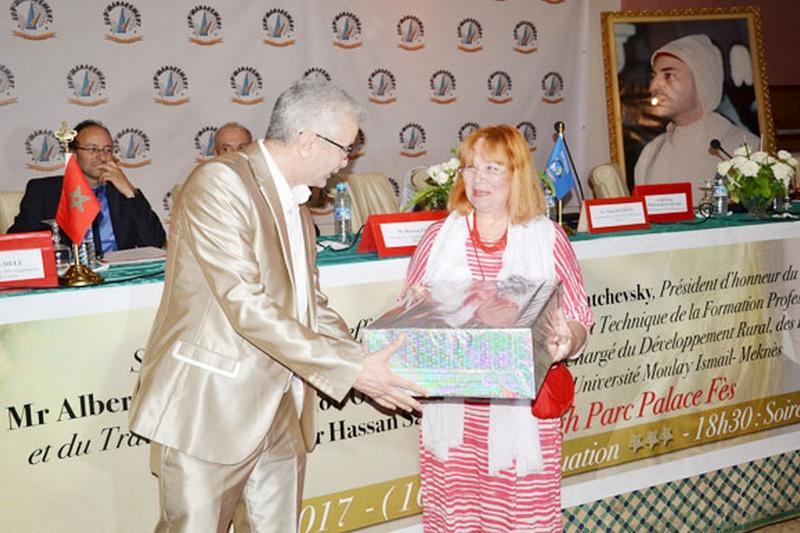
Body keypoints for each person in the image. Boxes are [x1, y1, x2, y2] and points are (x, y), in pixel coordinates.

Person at [128, 78, 425, 533]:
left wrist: (361, 361)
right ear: (308, 141)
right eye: (345, 149)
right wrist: (352, 370)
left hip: (283, 405)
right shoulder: (221, 183)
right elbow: (245, 304)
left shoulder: (297, 202)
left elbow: (311, 304)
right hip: (211, 407)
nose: (346, 162)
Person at [404, 124, 592, 532]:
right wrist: (415, 309)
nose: (478, 179)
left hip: (521, 415)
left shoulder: (548, 238)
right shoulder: (437, 238)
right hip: (454, 418)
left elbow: (580, 317)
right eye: (471, 168)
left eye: (492, 168)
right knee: (457, 518)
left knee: (521, 518)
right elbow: (410, 316)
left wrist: (566, 341)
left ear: (516, 174)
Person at [7, 120, 166, 251]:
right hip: (68, 276)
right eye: (92, 149)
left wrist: (130, 192)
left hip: (120, 274)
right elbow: (18, 243)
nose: (102, 157)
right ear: (73, 154)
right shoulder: (44, 192)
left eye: (108, 150)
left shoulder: (123, 193)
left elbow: (155, 243)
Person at [634, 34, 760, 192]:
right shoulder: (651, 153)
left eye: (669, 76)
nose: (653, 87)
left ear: (702, 80)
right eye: (654, 76)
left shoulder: (742, 147)